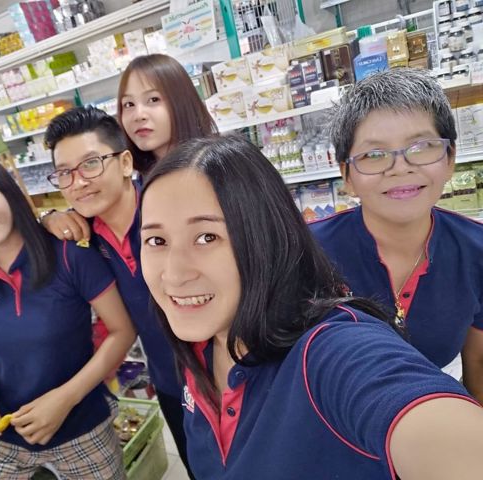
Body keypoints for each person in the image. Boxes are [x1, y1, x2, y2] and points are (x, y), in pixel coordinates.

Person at [138, 135, 483, 479]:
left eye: (206, 237)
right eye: (156, 240)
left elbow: (438, 433)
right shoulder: (200, 343)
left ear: (266, 238)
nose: (174, 273)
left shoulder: (329, 352)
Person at [0, 147, 135, 480]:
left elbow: (122, 331)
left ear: (6, 188)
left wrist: (65, 398)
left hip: (81, 427)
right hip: (2, 432)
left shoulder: (69, 256)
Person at [309, 69, 483, 401]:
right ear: (346, 175)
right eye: (374, 154)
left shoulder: (476, 250)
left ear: (450, 159)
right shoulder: (305, 251)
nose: (401, 167)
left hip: (432, 416)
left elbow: (478, 363)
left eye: (422, 146)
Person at [44, 106, 195, 478]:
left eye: (91, 164)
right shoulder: (84, 240)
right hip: (170, 382)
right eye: (64, 173)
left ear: (126, 162)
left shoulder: (172, 208)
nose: (78, 182)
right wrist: (47, 218)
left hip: (227, 373)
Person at [42, 53, 216, 242]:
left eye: (153, 100)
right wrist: (50, 218)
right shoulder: (146, 182)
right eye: (129, 104)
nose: (138, 115)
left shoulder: (217, 170)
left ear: (183, 101)